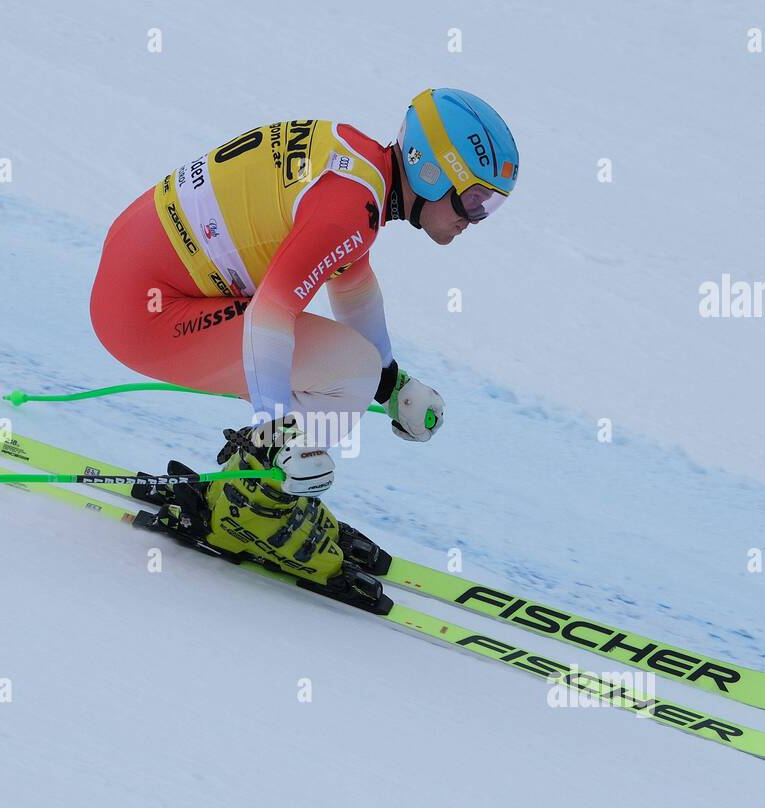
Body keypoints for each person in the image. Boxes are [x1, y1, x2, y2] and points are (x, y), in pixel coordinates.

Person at [90, 88, 519, 585]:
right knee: (349, 375)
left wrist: (393, 386)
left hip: (138, 278)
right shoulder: (351, 208)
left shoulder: (359, 171)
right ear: (430, 172)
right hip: (147, 313)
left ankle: (259, 488)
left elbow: (353, 283)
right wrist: (278, 434)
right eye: (472, 201)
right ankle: (251, 508)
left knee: (358, 370)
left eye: (490, 205)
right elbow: (268, 315)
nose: (475, 220)